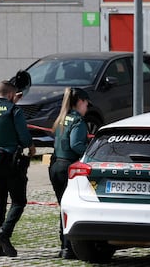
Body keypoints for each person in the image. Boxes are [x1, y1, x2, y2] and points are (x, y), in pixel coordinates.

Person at [0, 80, 36, 257]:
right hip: (11, 162)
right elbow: (24, 137)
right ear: (12, 95)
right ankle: (3, 234)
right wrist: (31, 147)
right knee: (19, 201)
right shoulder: (14, 110)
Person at [49, 87, 90, 259]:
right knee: (69, 209)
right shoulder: (78, 121)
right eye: (86, 104)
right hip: (68, 168)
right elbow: (76, 145)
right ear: (80, 102)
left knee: (63, 207)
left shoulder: (61, 118)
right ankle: (68, 248)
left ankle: (64, 246)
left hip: (56, 166)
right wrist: (90, 152)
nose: (87, 108)